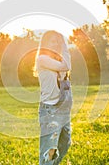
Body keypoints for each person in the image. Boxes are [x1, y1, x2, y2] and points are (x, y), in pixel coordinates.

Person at [34, 30, 72, 165]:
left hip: (62, 110)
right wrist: (64, 45)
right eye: (53, 41)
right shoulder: (42, 59)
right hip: (50, 110)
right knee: (49, 150)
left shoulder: (57, 60)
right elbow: (66, 66)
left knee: (65, 144)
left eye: (57, 41)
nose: (56, 44)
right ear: (45, 44)